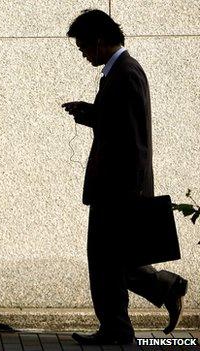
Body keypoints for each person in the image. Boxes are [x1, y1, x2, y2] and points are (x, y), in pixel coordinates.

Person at [61, 9, 188, 345]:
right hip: (114, 187)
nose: (84, 54)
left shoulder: (126, 73)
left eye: (84, 47)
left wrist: (132, 194)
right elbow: (116, 124)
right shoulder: (118, 73)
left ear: (100, 41)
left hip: (118, 191)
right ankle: (131, 316)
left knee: (105, 261)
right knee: (112, 261)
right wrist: (89, 112)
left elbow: (135, 140)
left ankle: (123, 323)